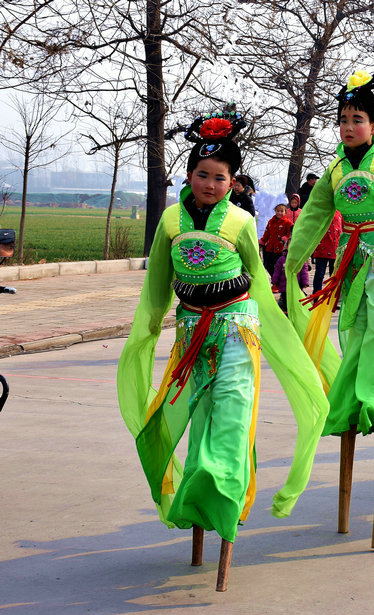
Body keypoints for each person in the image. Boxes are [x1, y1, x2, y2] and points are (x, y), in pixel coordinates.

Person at [116, 108, 328, 559]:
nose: (209, 184)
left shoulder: (240, 222)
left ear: (233, 182)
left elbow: (254, 277)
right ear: (189, 175)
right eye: (202, 174)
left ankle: (224, 496)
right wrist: (145, 334)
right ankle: (197, 497)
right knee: (197, 416)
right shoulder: (171, 221)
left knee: (230, 416)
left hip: (235, 330)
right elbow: (157, 288)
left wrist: (276, 328)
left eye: (220, 177)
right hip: (191, 332)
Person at [285, 67, 374, 454]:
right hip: (350, 262)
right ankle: (350, 403)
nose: (349, 127)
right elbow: (314, 215)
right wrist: (293, 257)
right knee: (353, 333)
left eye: (357, 120)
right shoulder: (335, 170)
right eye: (344, 121)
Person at [272, 232, 310, 312]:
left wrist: (305, 282)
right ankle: (286, 311)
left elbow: (304, 272)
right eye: (290, 245)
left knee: (296, 301)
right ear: (287, 247)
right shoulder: (281, 260)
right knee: (285, 301)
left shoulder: (300, 260)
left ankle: (295, 312)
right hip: (284, 287)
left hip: (297, 286)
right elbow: (277, 272)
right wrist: (274, 282)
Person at [311, 210, 343, 293]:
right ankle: (316, 297)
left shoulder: (339, 213)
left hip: (335, 248)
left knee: (333, 275)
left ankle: (332, 299)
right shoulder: (320, 211)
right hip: (321, 248)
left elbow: (341, 229)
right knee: (319, 274)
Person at [259, 203, 293, 276]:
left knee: (279, 267)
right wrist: (262, 242)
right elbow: (267, 233)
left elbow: (290, 234)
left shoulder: (288, 223)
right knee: (268, 266)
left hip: (280, 249)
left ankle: (277, 282)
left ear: (285, 212)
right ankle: (275, 279)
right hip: (270, 248)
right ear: (275, 211)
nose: (279, 213)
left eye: (281, 211)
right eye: (278, 211)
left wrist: (284, 239)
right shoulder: (271, 222)